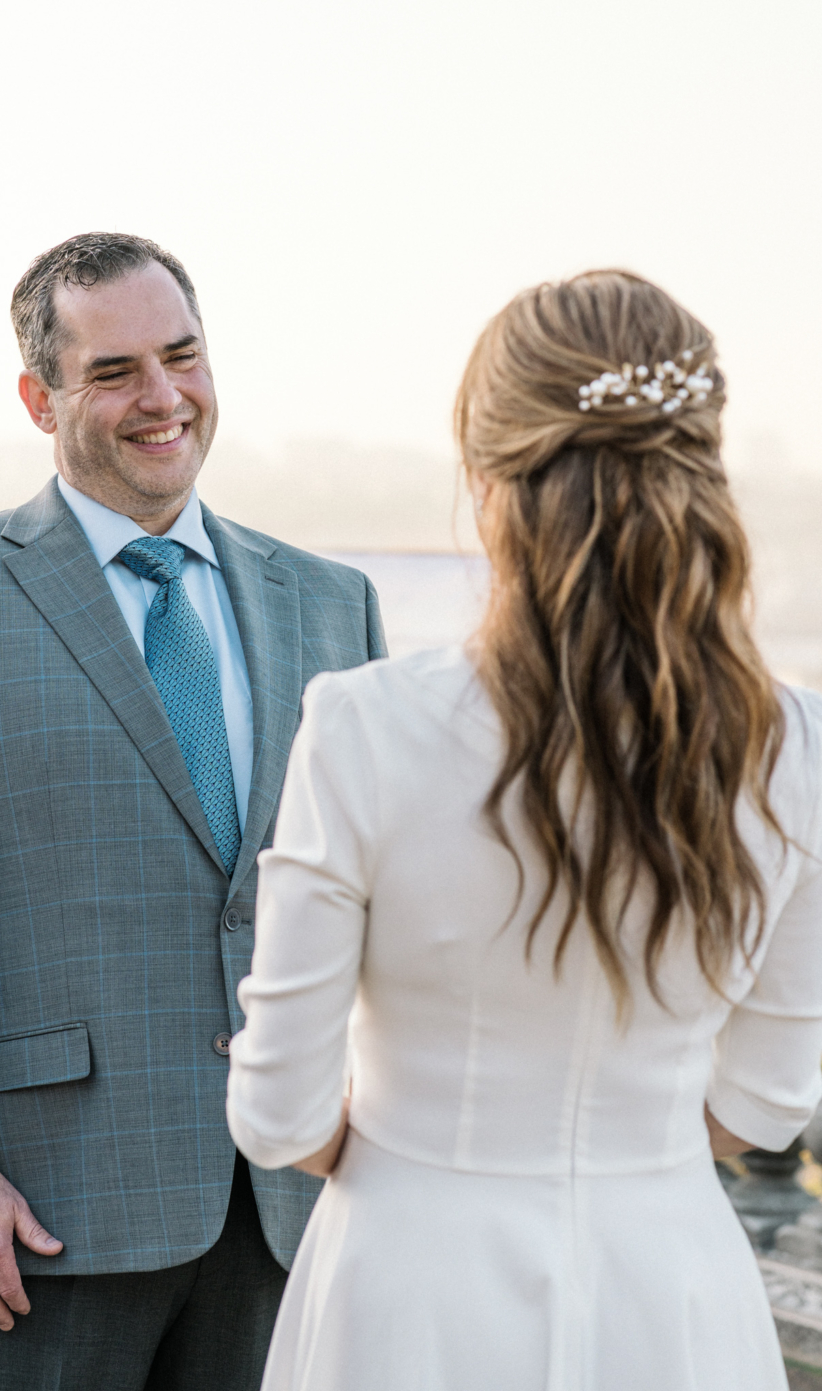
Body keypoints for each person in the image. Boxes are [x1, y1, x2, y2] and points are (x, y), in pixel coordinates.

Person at [226, 270, 822, 1391]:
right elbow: (769, 1098)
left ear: (486, 473)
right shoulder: (797, 744)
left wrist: (441, 1158)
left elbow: (280, 1114)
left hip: (409, 1292)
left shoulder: (364, 728)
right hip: (672, 1290)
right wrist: (610, 1160)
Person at [0, 231, 386, 1391]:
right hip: (39, 1211)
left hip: (291, 1200)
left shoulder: (334, 604)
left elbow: (384, 903)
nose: (163, 398)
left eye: (182, 356)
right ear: (41, 398)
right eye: (114, 371)